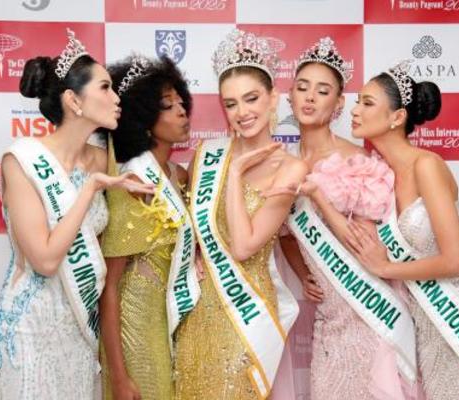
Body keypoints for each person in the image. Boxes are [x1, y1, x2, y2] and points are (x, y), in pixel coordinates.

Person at [0, 29, 153, 400]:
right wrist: (90, 187)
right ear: (73, 100)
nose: (116, 98)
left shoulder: (103, 159)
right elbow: (46, 260)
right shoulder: (22, 160)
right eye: (105, 88)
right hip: (29, 329)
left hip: (78, 331)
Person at [348, 60, 459, 400]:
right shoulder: (382, 176)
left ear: (397, 117)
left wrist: (386, 267)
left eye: (367, 103)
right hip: (430, 327)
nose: (355, 111)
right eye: (357, 102)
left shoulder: (426, 165)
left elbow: (455, 260)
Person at [275, 38, 418, 400]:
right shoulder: (282, 164)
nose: (310, 97)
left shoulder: (358, 162)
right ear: (289, 96)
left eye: (322, 91)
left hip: (367, 310)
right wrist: (303, 273)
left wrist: (319, 198)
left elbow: (364, 246)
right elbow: (285, 235)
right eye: (302, 87)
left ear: (339, 104)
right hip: (329, 318)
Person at [174, 29, 306, 400]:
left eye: (251, 98)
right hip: (197, 305)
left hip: (246, 312)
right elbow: (190, 227)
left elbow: (245, 246)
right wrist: (193, 254)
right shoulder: (207, 153)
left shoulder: (290, 169)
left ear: (273, 97)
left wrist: (233, 174)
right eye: (231, 104)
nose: (242, 113)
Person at [99, 54, 199, 400]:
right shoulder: (131, 182)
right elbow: (110, 286)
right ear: (142, 118)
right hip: (135, 329)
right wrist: (119, 376)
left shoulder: (180, 176)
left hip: (172, 320)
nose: (181, 111)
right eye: (167, 106)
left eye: (181, 102)